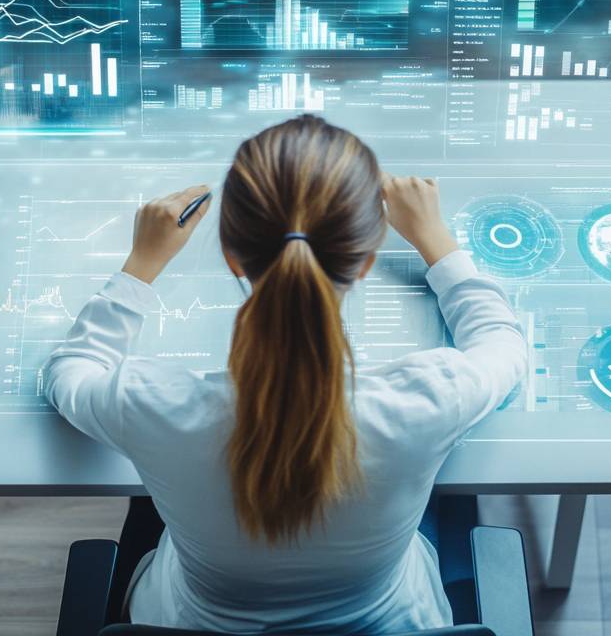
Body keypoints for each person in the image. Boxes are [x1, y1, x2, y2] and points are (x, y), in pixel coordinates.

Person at [44, 115, 526, 632]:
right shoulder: (429, 399)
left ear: (232, 257)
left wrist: (141, 263)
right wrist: (436, 241)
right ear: (364, 262)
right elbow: (503, 345)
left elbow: (69, 373)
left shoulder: (153, 406)